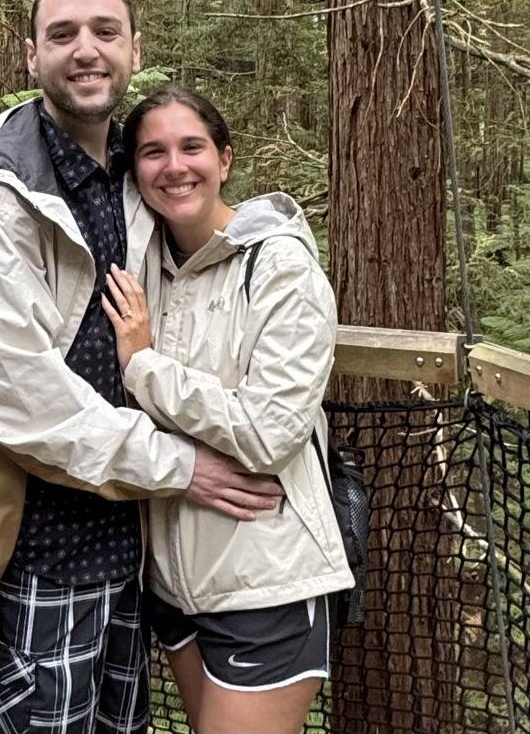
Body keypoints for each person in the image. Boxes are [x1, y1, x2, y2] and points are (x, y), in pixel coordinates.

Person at [0, 0, 283, 734]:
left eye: (105, 32)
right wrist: (183, 467)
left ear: (133, 49)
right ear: (30, 55)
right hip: (39, 549)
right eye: (63, 34)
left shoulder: (131, 175)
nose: (86, 51)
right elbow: (19, 394)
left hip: (133, 543)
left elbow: (208, 242)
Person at [101, 84, 353, 734]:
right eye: (152, 152)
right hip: (171, 579)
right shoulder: (140, 265)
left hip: (265, 579)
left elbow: (270, 434)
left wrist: (143, 367)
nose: (175, 166)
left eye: (192, 147)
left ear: (225, 159)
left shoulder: (280, 269)